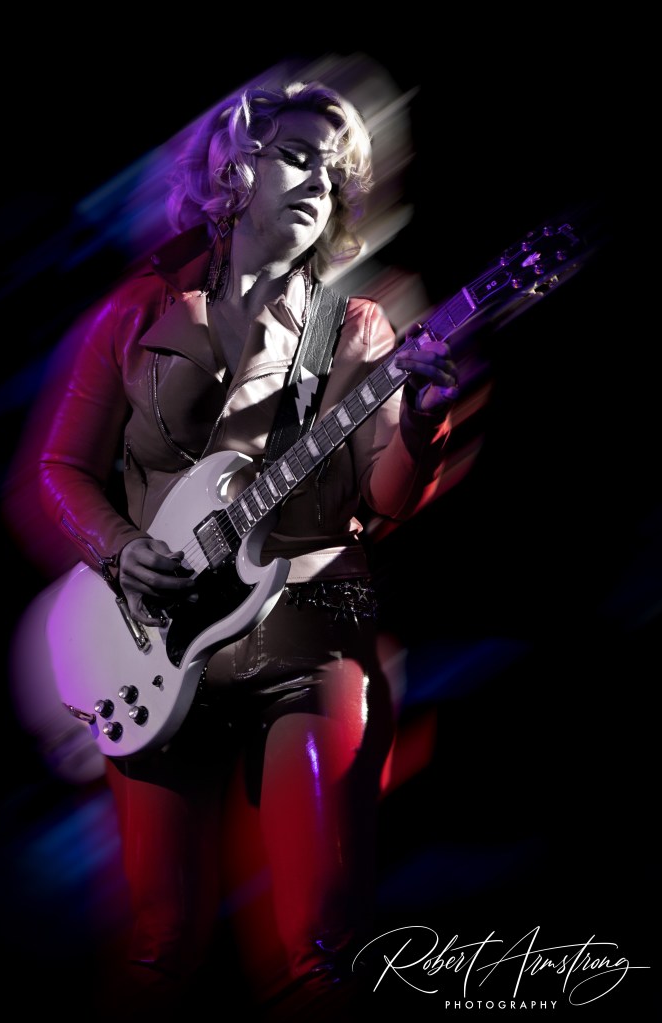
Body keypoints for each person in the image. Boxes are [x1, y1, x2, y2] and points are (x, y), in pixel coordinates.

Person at [34, 79, 459, 1019]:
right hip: (151, 642)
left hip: (306, 635)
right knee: (158, 944)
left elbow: (384, 500)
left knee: (321, 952)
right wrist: (118, 549)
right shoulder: (139, 312)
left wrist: (422, 415)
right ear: (233, 171)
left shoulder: (356, 330)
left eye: (336, 173)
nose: (321, 183)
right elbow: (61, 468)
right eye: (298, 157)